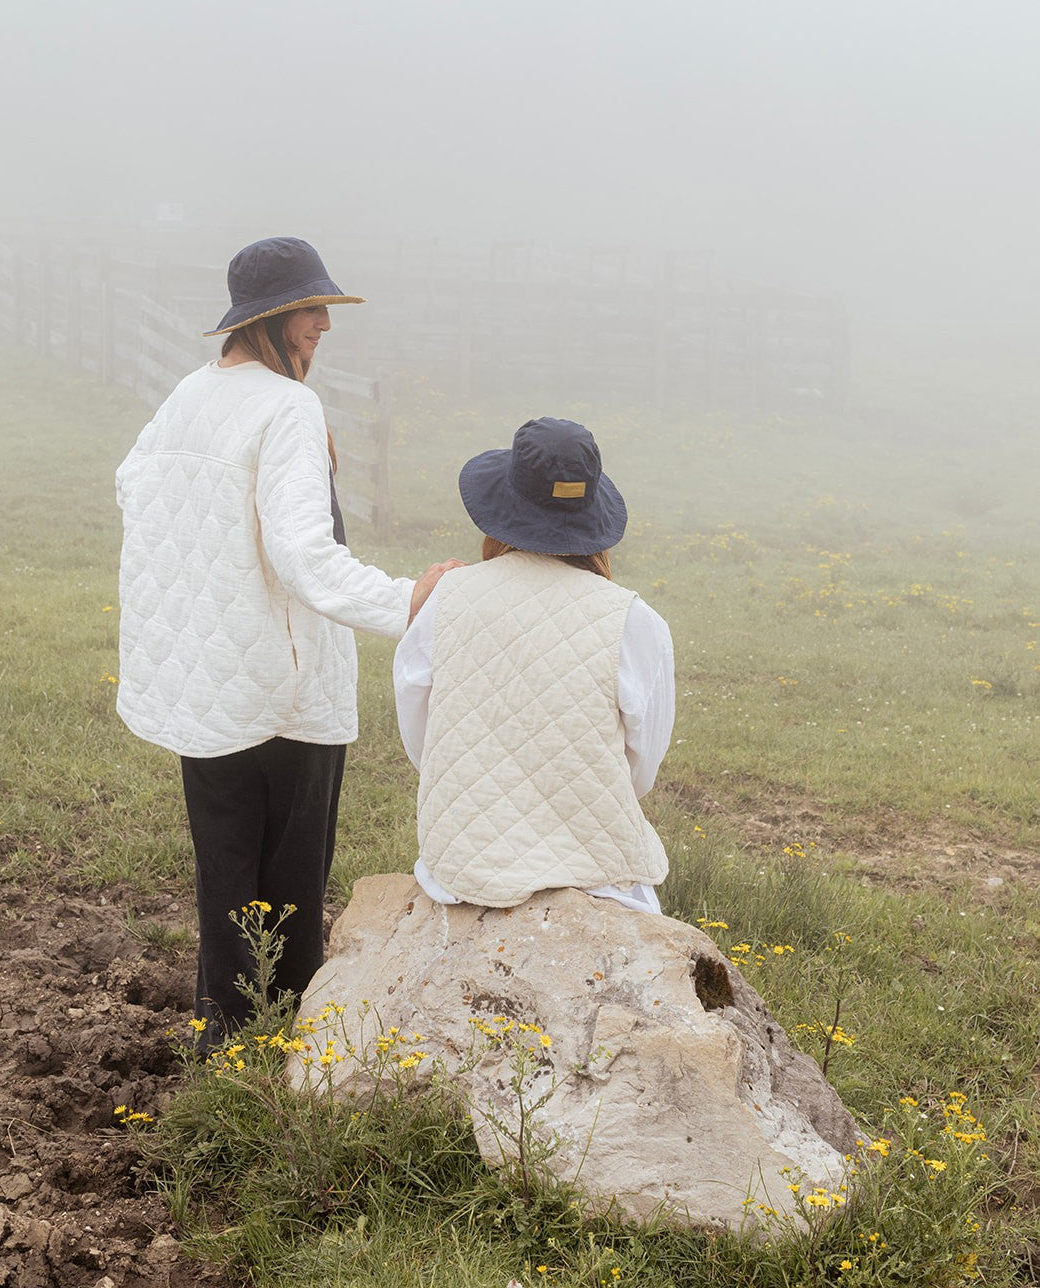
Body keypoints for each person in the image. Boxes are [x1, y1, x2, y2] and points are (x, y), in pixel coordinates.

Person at [116, 236, 459, 1046]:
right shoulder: (287, 407)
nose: (323, 327)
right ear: (270, 318)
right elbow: (305, 555)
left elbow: (135, 486)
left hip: (205, 678)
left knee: (225, 872)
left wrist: (213, 575)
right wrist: (408, 601)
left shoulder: (190, 395)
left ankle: (225, 1039)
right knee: (290, 883)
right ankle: (283, 1046)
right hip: (285, 687)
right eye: (311, 310)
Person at [393, 416, 674, 914]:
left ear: (502, 501)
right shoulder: (635, 621)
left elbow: (422, 739)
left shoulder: (446, 599)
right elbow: (641, 768)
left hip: (461, 866)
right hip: (597, 877)